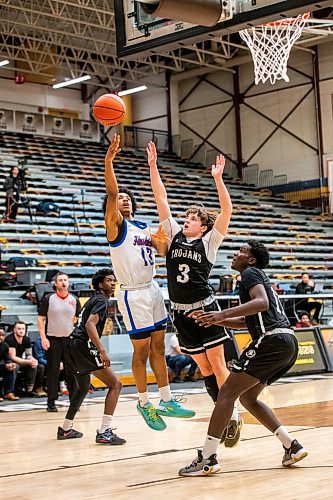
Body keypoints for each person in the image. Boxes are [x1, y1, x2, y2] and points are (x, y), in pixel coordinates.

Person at [178, 241, 308, 476]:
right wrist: (215, 320)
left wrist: (222, 312)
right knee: (249, 398)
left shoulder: (250, 273)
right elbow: (246, 320)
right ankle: (291, 446)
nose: (236, 253)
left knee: (226, 393)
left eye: (242, 251)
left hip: (271, 340)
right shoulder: (256, 278)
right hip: (287, 342)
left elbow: (261, 303)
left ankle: (207, 458)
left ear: (251, 260)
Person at [147, 141, 241, 446]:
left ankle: (233, 416)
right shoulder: (173, 235)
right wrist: (152, 165)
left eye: (192, 219)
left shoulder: (210, 243)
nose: (186, 220)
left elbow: (227, 209)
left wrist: (218, 179)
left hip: (205, 310)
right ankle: (221, 409)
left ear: (202, 227)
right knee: (203, 368)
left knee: (218, 365)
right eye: (186, 217)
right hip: (180, 312)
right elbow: (161, 197)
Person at [103, 133, 194, 432]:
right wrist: (109, 161)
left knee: (159, 346)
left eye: (129, 198)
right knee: (140, 351)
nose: (124, 199)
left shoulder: (142, 226)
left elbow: (163, 250)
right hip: (132, 295)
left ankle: (166, 399)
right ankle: (144, 402)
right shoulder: (115, 226)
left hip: (153, 289)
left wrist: (164, 237)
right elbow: (113, 193)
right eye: (121, 199)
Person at [57, 269, 126, 445]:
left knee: (83, 387)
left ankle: (65, 428)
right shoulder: (102, 300)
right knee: (116, 385)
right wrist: (102, 350)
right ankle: (104, 431)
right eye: (109, 280)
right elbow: (90, 325)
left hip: (72, 344)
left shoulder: (94, 299)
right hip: (82, 345)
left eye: (114, 280)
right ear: (101, 285)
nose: (113, 283)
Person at [37, 272, 81, 412]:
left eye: (65, 280)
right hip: (53, 339)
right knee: (52, 372)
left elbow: (77, 319)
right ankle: (51, 402)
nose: (63, 282)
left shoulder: (74, 299)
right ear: (55, 284)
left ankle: (74, 401)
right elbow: (40, 319)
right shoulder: (49, 298)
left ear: (68, 283)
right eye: (60, 280)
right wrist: (43, 338)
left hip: (69, 340)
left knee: (72, 372)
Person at [6, 321, 46, 397]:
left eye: (23, 329)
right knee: (15, 366)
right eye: (19, 329)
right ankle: (10, 391)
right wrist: (28, 362)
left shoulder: (26, 339)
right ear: (14, 330)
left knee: (39, 366)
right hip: (10, 362)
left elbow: (29, 354)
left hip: (21, 361)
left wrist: (32, 360)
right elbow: (13, 357)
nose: (21, 331)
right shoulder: (10, 339)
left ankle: (31, 389)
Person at [0, 328, 18, 401]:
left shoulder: (5, 345)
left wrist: (10, 364)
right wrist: (5, 365)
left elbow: (7, 358)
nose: (1, 337)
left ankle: (8, 392)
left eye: (3, 335)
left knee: (11, 369)